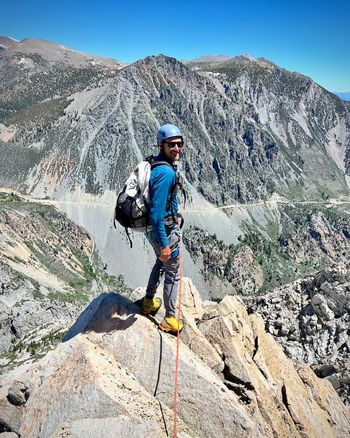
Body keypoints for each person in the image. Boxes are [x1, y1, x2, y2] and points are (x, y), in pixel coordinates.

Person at [141, 124, 184, 333]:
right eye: (172, 145)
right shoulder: (166, 173)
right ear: (161, 145)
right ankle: (169, 318)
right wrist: (166, 244)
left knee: (160, 263)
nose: (177, 148)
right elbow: (157, 214)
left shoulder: (157, 164)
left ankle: (149, 301)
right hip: (164, 231)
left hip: (155, 230)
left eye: (179, 144)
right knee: (172, 273)